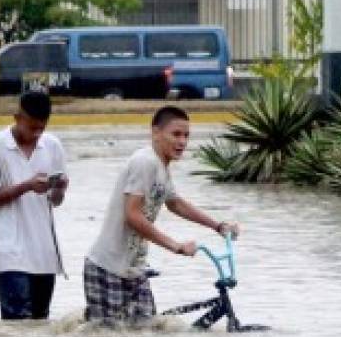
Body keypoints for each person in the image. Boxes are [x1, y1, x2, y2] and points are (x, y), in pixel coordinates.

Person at [84, 105, 239, 324]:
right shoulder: (145, 162)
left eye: (186, 136)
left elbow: (175, 203)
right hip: (108, 268)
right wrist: (175, 246)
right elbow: (133, 215)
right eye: (176, 134)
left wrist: (217, 226)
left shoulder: (162, 168)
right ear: (155, 133)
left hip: (134, 270)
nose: (182, 142)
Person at [0, 90, 69, 320]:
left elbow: (55, 202)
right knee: (16, 329)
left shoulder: (53, 146)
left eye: (42, 128)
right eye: (32, 127)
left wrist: (59, 188)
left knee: (40, 329)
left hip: (45, 254)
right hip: (11, 253)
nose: (37, 134)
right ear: (18, 118)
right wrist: (27, 186)